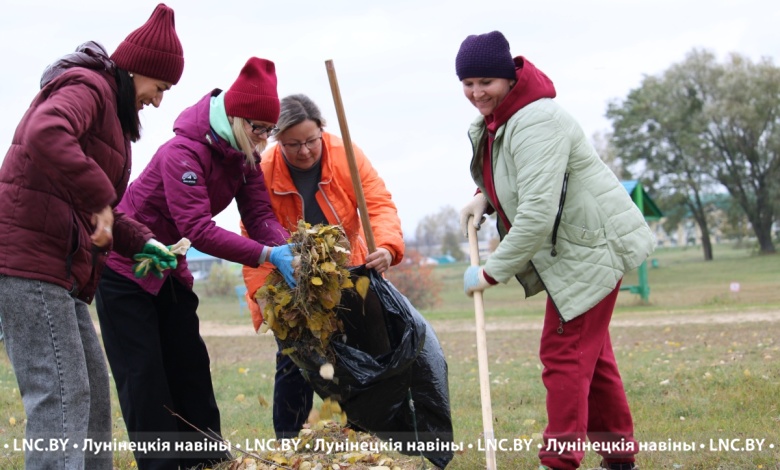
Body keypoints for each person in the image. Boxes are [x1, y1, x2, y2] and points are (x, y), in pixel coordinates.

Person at [455, 31, 655, 470]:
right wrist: (483, 196)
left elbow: (537, 212)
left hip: (590, 249)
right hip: (573, 248)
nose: (476, 92)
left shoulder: (536, 120)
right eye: (467, 82)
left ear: (508, 78)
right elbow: (517, 176)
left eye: (485, 80)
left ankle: (559, 461)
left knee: (563, 353)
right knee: (593, 357)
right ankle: (620, 457)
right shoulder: (500, 121)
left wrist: (492, 271)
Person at [0, 4, 183, 469]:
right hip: (28, 264)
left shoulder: (111, 114)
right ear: (140, 70)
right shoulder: (89, 87)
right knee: (59, 394)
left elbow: (95, 208)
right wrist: (102, 196)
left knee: (92, 393)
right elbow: (46, 131)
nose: (159, 102)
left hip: (57, 271)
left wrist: (142, 241)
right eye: (159, 88)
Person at [94, 57, 294, 469]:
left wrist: (290, 247)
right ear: (237, 119)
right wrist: (267, 256)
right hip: (125, 271)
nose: (263, 141)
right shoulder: (183, 152)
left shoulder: (245, 157)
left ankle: (211, 463)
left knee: (191, 369)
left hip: (170, 270)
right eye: (259, 130)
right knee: (145, 379)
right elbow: (198, 229)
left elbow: (259, 217)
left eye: (269, 132)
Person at [241, 93, 405, 439]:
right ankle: (288, 443)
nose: (304, 151)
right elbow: (252, 237)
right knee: (293, 362)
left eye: (311, 141)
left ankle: (360, 436)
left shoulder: (345, 154)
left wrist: (388, 247)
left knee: (356, 356)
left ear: (322, 132)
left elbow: (379, 204)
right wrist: (262, 296)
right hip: (291, 278)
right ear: (277, 140)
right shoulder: (263, 170)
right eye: (292, 144)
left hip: (349, 271)